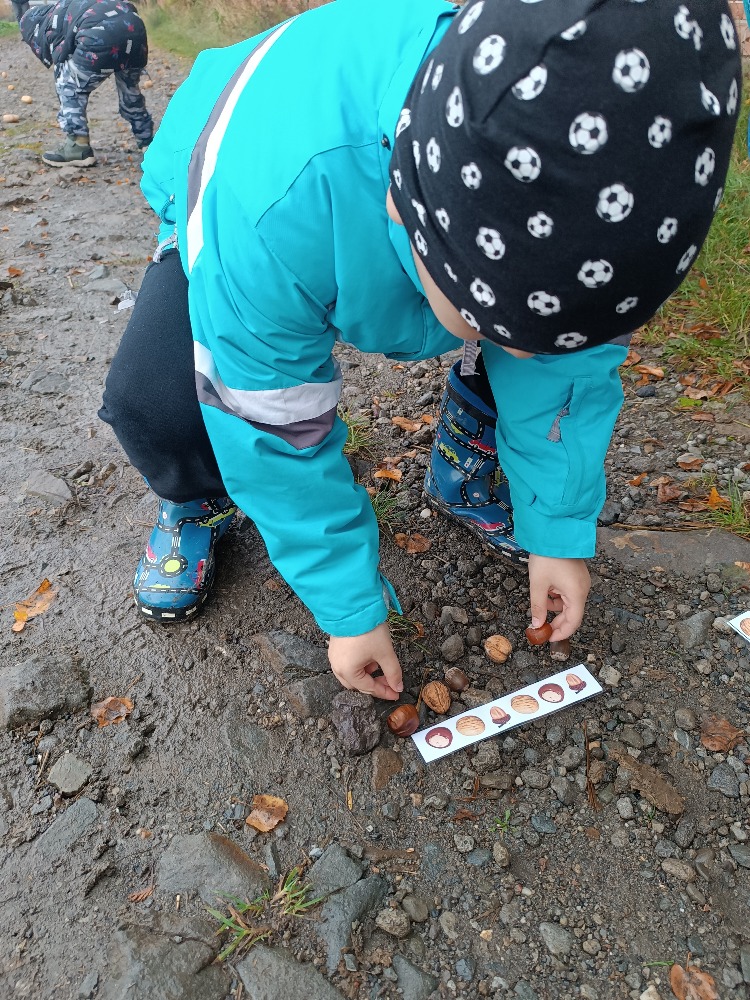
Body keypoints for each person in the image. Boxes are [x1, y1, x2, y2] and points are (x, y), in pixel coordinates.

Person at [99, 0, 740, 701]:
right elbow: (269, 419)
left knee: (545, 351)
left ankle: (470, 443)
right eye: (499, 326)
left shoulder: (601, 216)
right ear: (404, 212)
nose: (529, 356)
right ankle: (194, 498)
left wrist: (555, 529)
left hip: (421, 213)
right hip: (231, 173)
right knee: (164, 399)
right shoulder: (267, 217)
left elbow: (566, 367)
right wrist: (349, 610)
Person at [19, 0, 153, 167]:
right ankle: (148, 142)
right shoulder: (65, 9)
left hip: (100, 33)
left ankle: (78, 146)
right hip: (134, 29)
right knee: (130, 90)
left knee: (68, 84)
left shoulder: (51, 25)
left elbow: (61, 61)